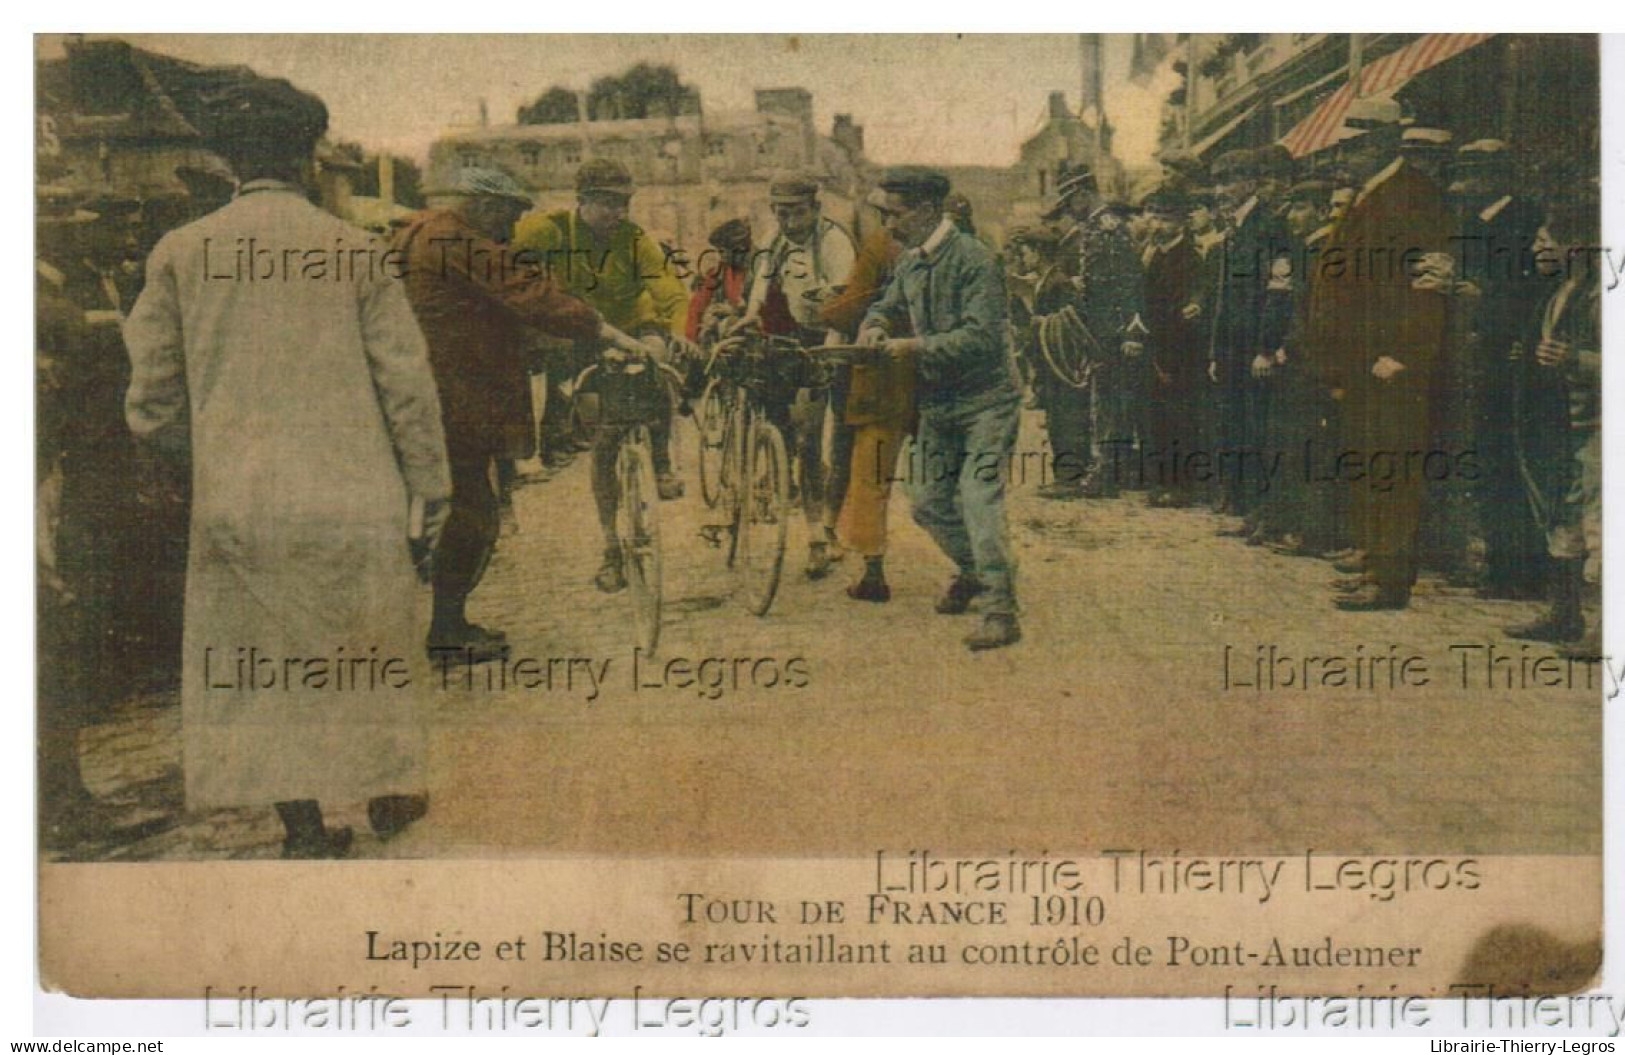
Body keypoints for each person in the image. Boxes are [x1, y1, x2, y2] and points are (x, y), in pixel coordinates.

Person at [123, 79, 451, 858]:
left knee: (260, 659)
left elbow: (151, 402)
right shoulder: (352, 250)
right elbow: (406, 386)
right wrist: (429, 492)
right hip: (353, 493)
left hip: (240, 496)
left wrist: (203, 468)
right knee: (366, 639)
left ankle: (303, 824)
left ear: (225, 159)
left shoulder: (181, 253)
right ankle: (387, 789)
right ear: (308, 157)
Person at [394, 167, 648, 652]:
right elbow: (531, 296)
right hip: (452, 400)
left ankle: (435, 623)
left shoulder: (423, 230)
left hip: (414, 397)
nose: (511, 232)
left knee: (434, 511)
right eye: (509, 218)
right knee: (473, 514)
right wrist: (608, 332)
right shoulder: (460, 242)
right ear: (487, 207)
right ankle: (447, 632)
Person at [858, 166, 1022, 650]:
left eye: (896, 214)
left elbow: (981, 338)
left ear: (928, 211)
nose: (888, 225)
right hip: (939, 403)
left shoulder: (975, 260)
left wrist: (915, 348)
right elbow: (886, 304)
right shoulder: (911, 261)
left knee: (977, 498)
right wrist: (874, 324)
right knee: (927, 502)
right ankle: (974, 571)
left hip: (988, 401)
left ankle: (1001, 609)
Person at [1306, 100, 1456, 611]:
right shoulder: (1367, 195)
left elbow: (1427, 283)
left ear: (1384, 142)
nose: (1345, 155)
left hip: (1391, 362)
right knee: (1369, 463)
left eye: (1355, 145)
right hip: (1360, 358)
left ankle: (1391, 579)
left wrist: (1403, 353)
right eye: (1345, 146)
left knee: (1392, 467)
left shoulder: (1415, 196)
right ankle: (1375, 562)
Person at [512, 159, 691, 507]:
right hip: (584, 329)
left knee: (656, 361)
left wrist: (679, 331)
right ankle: (566, 443)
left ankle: (662, 461)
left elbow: (668, 289)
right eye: (609, 203)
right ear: (583, 200)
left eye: (625, 203)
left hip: (636, 324)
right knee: (588, 407)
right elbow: (505, 257)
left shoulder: (635, 239)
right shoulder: (552, 230)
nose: (620, 213)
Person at [1449, 139, 1554, 600]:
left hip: (1510, 356)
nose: (1463, 185)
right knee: (1486, 459)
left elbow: (1528, 294)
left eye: (1472, 175)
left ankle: (1521, 569)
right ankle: (1498, 561)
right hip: (1477, 353)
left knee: (1510, 461)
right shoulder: (1473, 223)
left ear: (1496, 177)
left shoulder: (1524, 222)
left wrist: (1477, 298)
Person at [738, 174, 857, 579]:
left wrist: (828, 350)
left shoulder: (834, 243)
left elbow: (843, 307)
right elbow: (761, 282)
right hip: (791, 329)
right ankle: (784, 482)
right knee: (786, 425)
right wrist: (751, 315)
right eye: (782, 212)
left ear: (816, 208)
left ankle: (821, 533)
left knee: (822, 436)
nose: (789, 221)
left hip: (834, 333)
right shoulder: (774, 238)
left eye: (797, 212)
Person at [1505, 193, 1601, 650]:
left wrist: (1578, 359)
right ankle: (1563, 613)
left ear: (1579, 246)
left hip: (1600, 424)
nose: (1539, 249)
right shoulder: (1557, 291)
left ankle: (1605, 630)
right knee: (1563, 518)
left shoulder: (1604, 294)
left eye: (1550, 241)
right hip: (1563, 422)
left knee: (1600, 523)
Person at [820, 190, 911, 602]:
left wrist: (822, 312)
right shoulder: (957, 245)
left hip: (885, 376)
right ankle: (972, 566)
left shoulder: (878, 245)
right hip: (942, 375)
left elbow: (855, 302)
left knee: (870, 470)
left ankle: (873, 571)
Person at [1045, 165, 1148, 498]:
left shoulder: (1108, 228)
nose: (1069, 211)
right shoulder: (1094, 227)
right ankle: (1105, 472)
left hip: (1113, 330)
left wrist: (1132, 331)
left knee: (1110, 403)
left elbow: (1130, 282)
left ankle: (1107, 475)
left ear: (1084, 195)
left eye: (1071, 202)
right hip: (1098, 328)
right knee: (1103, 399)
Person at [1140, 186, 1206, 507]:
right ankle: (1162, 481)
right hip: (1157, 346)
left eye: (1165, 219)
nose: (1157, 225)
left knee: (1180, 418)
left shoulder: (1189, 258)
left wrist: (1167, 356)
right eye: (1154, 217)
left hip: (1180, 350)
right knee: (1158, 419)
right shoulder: (1154, 255)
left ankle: (1182, 485)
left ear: (1180, 222)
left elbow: (1185, 310)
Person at [686, 218, 753, 345]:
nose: (721, 256)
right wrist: (690, 342)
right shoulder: (719, 272)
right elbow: (696, 306)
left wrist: (737, 311)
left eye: (723, 251)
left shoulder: (759, 270)